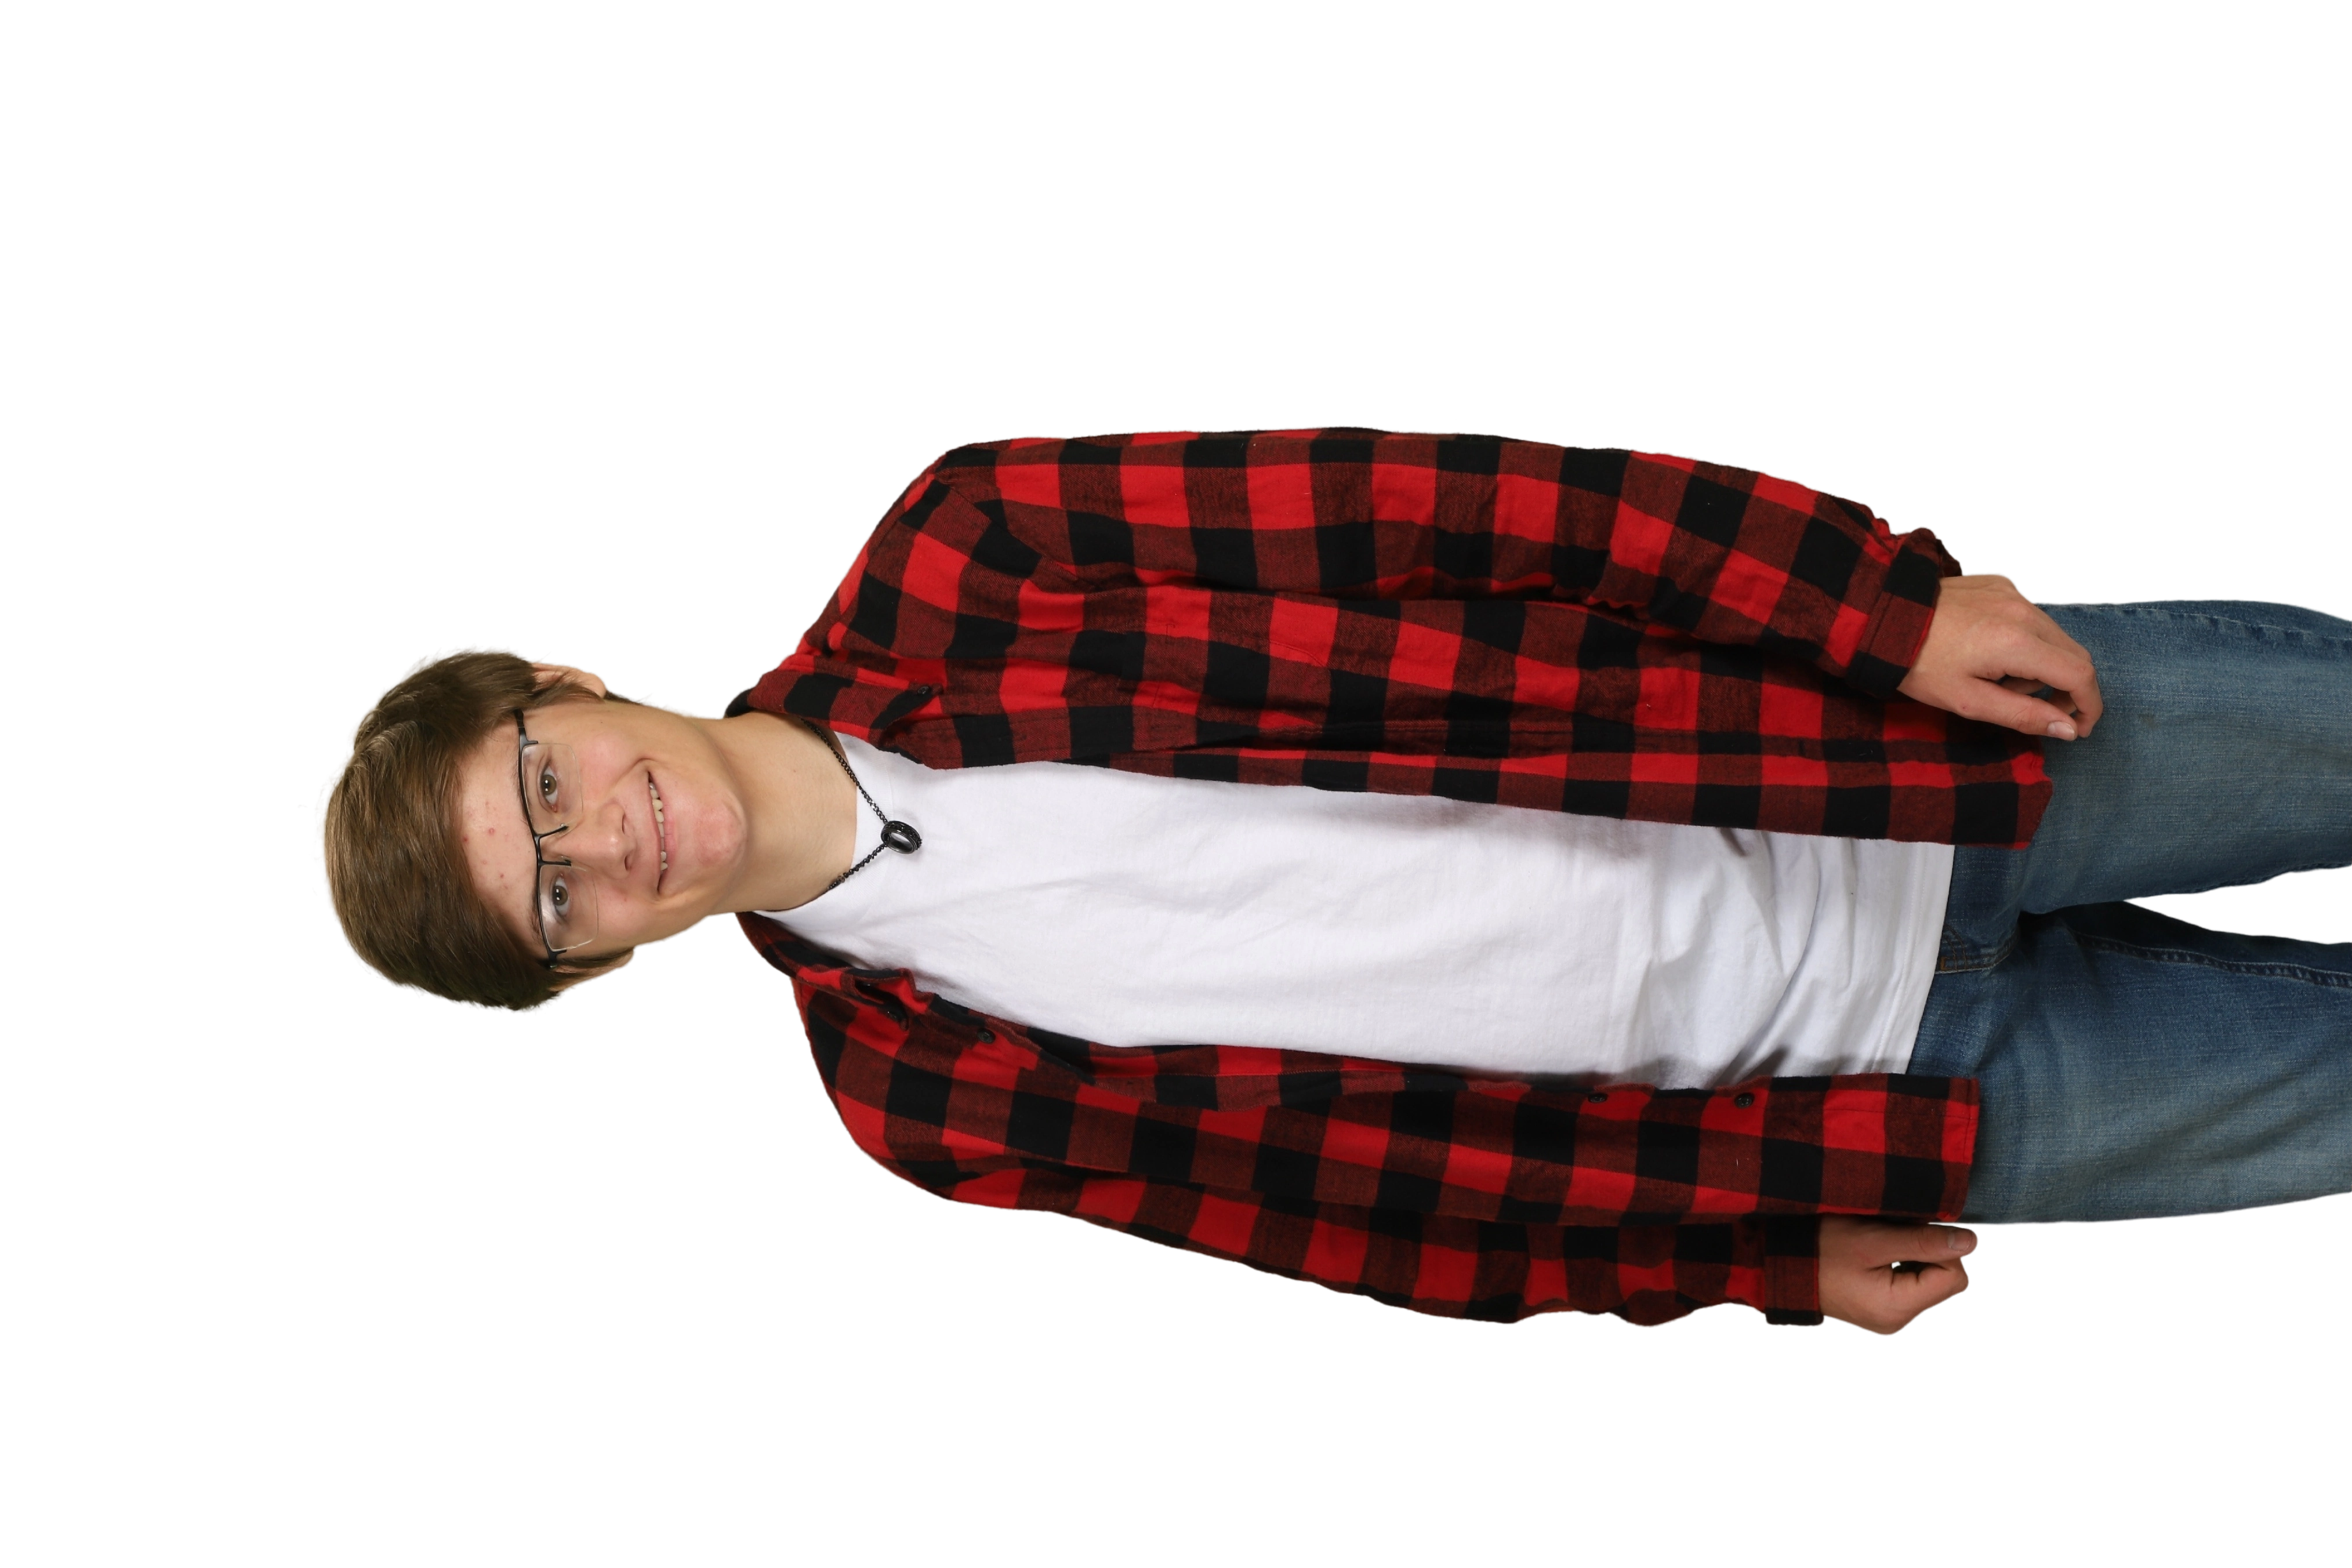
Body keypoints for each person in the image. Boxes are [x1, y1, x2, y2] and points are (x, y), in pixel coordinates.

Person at [308, 424, 2352, 1338]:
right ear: (586, 968)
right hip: (1890, 1102)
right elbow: (1384, 1230)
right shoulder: (917, 1101)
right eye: (553, 897)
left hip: (1892, 750)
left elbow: (1463, 508)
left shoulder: (966, 549)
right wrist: (1757, 1271)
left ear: (561, 687)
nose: (605, 841)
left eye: (545, 783)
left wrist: (1871, 601)